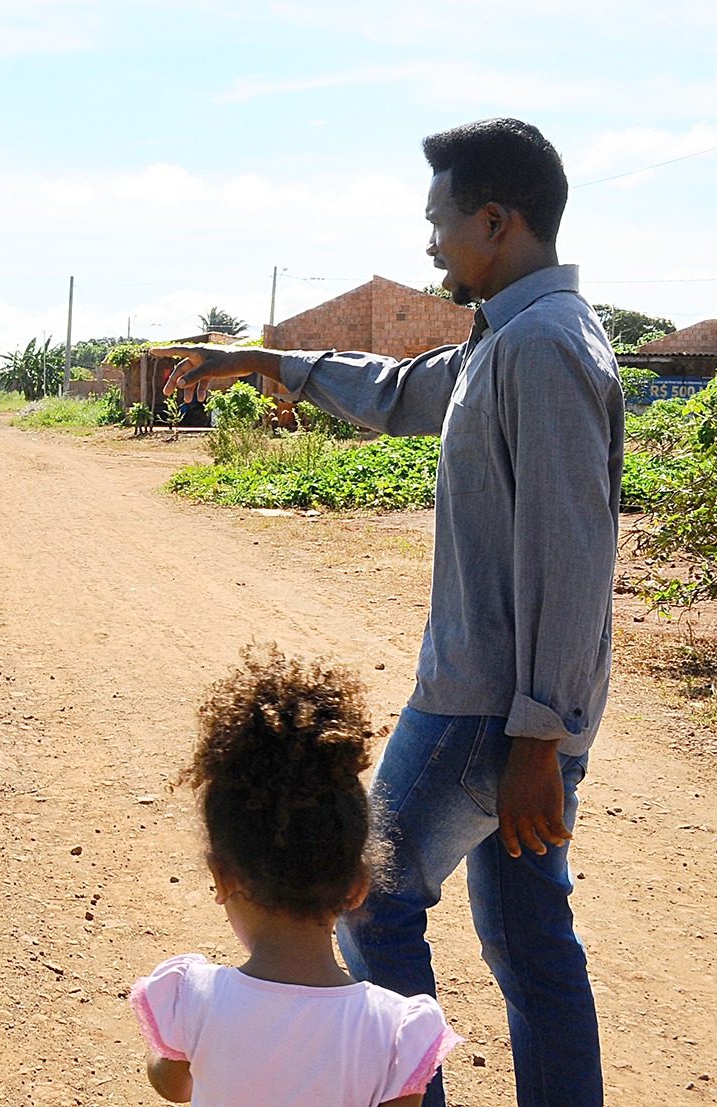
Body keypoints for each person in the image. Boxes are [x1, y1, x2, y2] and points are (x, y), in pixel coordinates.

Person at [156, 118, 619, 1107]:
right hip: (510, 711)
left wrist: (536, 737)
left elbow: (570, 556)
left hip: (482, 711)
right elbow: (401, 391)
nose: (427, 245)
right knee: (531, 943)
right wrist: (266, 363)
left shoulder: (541, 347)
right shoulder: (506, 336)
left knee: (371, 900)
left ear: (493, 221)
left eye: (436, 223)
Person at [131, 646, 461, 1107]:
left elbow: (172, 1085)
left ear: (222, 877)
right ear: (357, 885)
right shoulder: (394, 1031)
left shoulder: (193, 999)